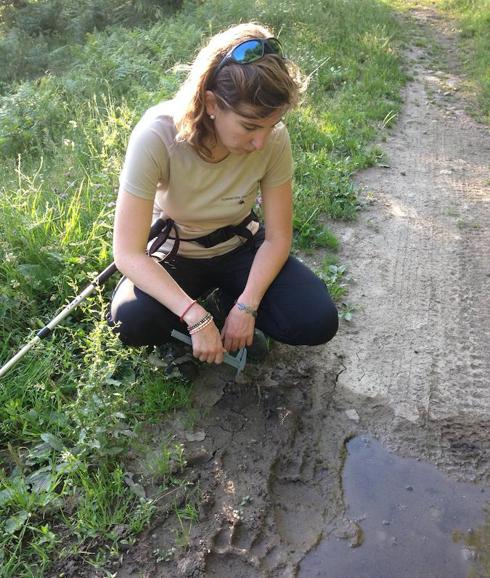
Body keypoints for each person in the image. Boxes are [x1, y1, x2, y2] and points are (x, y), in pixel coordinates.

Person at [109, 22, 338, 365]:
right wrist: (195, 316)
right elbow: (127, 253)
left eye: (271, 125)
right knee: (131, 319)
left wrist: (248, 304)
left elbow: (277, 237)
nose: (261, 141)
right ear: (212, 103)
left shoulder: (273, 140)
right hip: (176, 255)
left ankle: (232, 308)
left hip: (240, 248)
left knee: (317, 320)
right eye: (249, 126)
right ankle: (200, 321)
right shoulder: (157, 135)